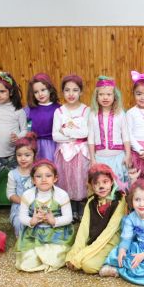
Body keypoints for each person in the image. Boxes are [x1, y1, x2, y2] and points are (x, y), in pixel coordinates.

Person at [65, 164, 127, 274]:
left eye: (105, 182)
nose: (101, 186)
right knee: (76, 260)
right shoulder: (91, 201)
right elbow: (83, 230)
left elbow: (109, 232)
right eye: (96, 183)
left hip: (111, 241)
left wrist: (81, 256)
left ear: (112, 182)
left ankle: (115, 266)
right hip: (95, 240)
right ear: (91, 186)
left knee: (88, 266)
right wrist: (74, 254)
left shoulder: (120, 200)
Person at [15, 159, 75, 272]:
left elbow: (68, 218)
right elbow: (22, 217)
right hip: (34, 233)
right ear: (33, 180)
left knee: (56, 256)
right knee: (26, 261)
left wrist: (54, 221)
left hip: (58, 233)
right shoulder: (27, 195)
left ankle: (48, 261)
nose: (44, 179)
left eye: (48, 175)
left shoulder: (62, 195)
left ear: (55, 178)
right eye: (38, 176)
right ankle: (42, 261)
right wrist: (32, 221)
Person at [52, 74, 90, 221]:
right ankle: (70, 209)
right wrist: (76, 135)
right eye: (67, 90)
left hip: (81, 152)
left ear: (80, 92)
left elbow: (86, 132)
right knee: (67, 179)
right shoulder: (59, 111)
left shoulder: (86, 110)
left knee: (81, 178)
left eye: (75, 90)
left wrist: (66, 131)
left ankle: (81, 207)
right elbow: (55, 136)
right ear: (63, 92)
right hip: (64, 152)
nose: (71, 94)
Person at [88, 76, 131, 186]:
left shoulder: (120, 113)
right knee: (104, 185)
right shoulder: (93, 114)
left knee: (119, 187)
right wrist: (93, 158)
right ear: (96, 97)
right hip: (100, 158)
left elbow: (125, 135)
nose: (105, 97)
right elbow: (91, 138)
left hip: (118, 158)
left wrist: (128, 155)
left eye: (108, 94)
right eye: (101, 94)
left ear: (114, 96)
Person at [7, 132, 37, 237]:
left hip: (38, 205)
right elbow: (10, 194)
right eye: (19, 155)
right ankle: (21, 237)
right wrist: (24, 202)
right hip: (20, 206)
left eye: (27, 155)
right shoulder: (13, 174)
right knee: (19, 222)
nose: (23, 158)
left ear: (34, 155)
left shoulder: (38, 172)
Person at [25, 73, 61, 161]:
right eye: (36, 92)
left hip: (53, 144)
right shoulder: (30, 109)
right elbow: (18, 121)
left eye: (43, 90)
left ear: (50, 89)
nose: (40, 94)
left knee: (51, 168)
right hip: (36, 145)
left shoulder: (58, 108)